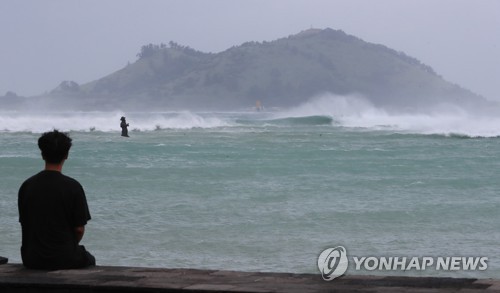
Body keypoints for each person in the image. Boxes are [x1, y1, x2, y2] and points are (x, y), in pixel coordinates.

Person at [18, 130, 95, 270]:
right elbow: (79, 229)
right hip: (64, 258)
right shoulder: (73, 187)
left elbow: (25, 223)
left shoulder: (27, 186)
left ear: (42, 155)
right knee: (89, 259)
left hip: (31, 258)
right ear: (66, 155)